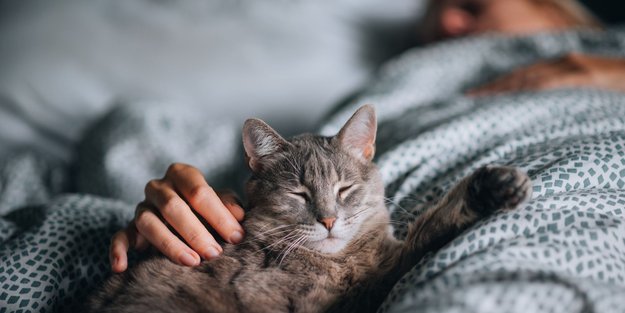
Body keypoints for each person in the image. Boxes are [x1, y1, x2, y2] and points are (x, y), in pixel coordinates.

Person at [109, 0, 625, 273]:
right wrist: (189, 203)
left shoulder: (609, 49)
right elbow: (129, 137)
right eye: (428, 22)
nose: (446, 19)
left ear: (557, 8)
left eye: (472, 3)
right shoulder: (396, 83)